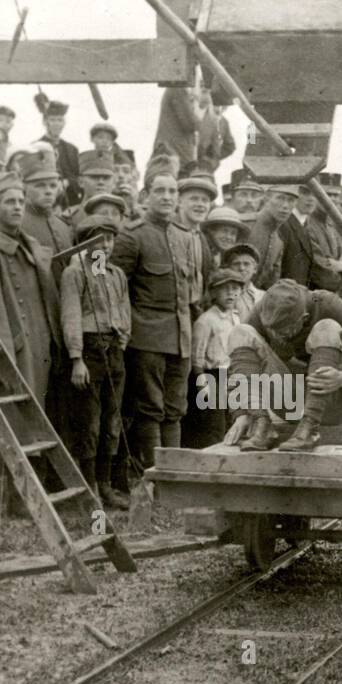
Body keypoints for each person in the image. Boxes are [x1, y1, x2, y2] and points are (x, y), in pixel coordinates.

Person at [109, 171, 201, 477]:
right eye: (159, 190)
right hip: (146, 337)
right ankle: (154, 479)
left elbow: (190, 294)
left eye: (172, 191)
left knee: (176, 408)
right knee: (150, 408)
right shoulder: (132, 235)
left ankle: (173, 478)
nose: (167, 196)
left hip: (181, 337)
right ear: (146, 195)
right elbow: (117, 289)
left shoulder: (185, 237)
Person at [223, 278, 342, 452]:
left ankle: (310, 428)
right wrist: (241, 413)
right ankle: (263, 426)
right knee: (240, 332)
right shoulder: (264, 308)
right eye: (272, 330)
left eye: (284, 330)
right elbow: (238, 365)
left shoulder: (329, 305)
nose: (276, 336)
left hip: (331, 401)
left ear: (304, 318)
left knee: (326, 327)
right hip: (289, 402)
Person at [61, 214, 132, 507]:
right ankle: (89, 487)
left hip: (113, 351)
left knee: (111, 421)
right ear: (85, 243)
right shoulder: (75, 273)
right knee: (89, 421)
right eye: (99, 239)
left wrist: (122, 339)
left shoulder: (116, 275)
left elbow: (124, 310)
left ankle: (105, 485)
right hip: (89, 352)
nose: (106, 244)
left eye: (111, 238)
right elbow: (71, 315)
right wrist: (77, 358)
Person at [0, 172, 61, 406]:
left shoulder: (29, 246)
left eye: (20, 201)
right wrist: (6, 360)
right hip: (18, 350)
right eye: (9, 202)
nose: (17, 207)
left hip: (41, 344)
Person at [185, 269, 242, 448]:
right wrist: (202, 383)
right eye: (225, 289)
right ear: (214, 293)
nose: (231, 293)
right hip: (212, 377)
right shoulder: (206, 320)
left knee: (231, 421)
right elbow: (197, 356)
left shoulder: (236, 318)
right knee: (213, 424)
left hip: (231, 376)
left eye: (235, 289)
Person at [19, 154, 73, 277]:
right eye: (40, 185)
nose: (48, 191)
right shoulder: (17, 226)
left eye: (53, 185)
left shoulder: (64, 226)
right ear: (24, 186)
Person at [248, 182, 291, 289]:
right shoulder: (245, 224)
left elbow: (271, 285)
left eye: (291, 200)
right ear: (266, 200)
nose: (285, 205)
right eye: (280, 198)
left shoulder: (278, 241)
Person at [37, 99, 79, 206]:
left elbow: (79, 176)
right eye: (52, 120)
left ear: (64, 123)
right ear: (44, 122)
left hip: (70, 200)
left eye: (60, 120)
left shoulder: (72, 149)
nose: (56, 124)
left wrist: (67, 182)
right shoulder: (35, 147)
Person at [153, 85, 201, 169]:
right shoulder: (178, 89)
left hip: (173, 152)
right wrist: (199, 113)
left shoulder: (177, 90)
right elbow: (190, 123)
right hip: (175, 153)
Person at [223, 243, 263, 322]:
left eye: (246, 264)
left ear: (255, 269)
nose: (241, 268)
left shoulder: (262, 296)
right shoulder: (223, 295)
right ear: (228, 268)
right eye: (236, 264)